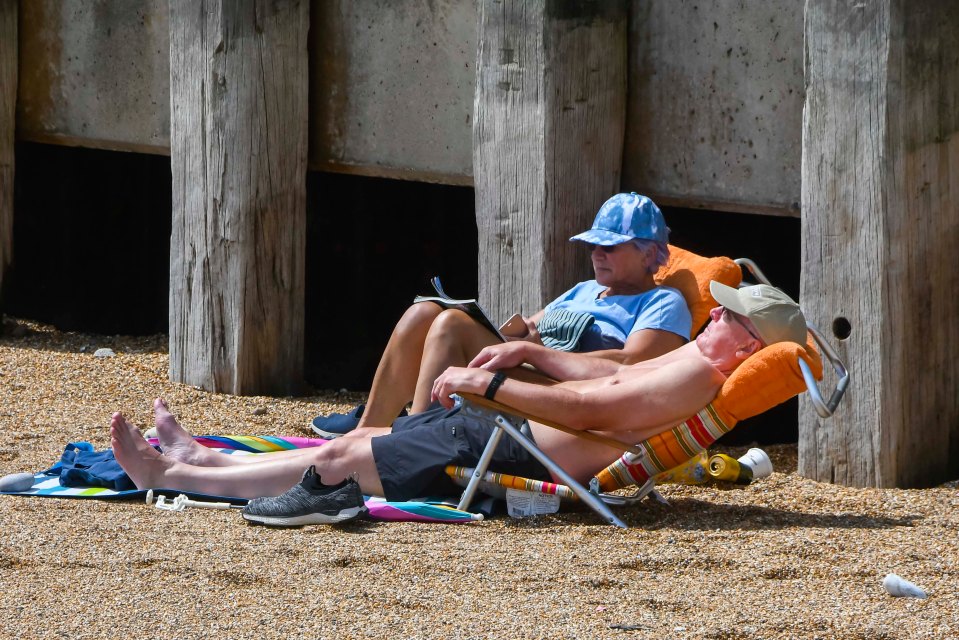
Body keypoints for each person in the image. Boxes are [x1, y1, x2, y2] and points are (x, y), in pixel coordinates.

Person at [110, 282, 808, 526]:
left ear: (746, 346)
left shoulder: (694, 381)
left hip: (514, 450)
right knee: (349, 450)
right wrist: (526, 353)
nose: (714, 316)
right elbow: (600, 379)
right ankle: (195, 458)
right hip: (508, 435)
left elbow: (592, 411)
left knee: (343, 456)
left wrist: (493, 388)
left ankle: (171, 475)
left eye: (728, 317)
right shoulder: (694, 363)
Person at [312, 192, 692, 438]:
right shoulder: (584, 290)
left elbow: (634, 364)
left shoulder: (663, 302)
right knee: (425, 311)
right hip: (530, 377)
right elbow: (529, 329)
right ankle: (370, 429)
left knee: (451, 324)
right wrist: (521, 336)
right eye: (593, 245)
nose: (597, 254)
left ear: (648, 253)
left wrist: (536, 353)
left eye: (610, 247)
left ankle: (410, 438)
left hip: (570, 398)